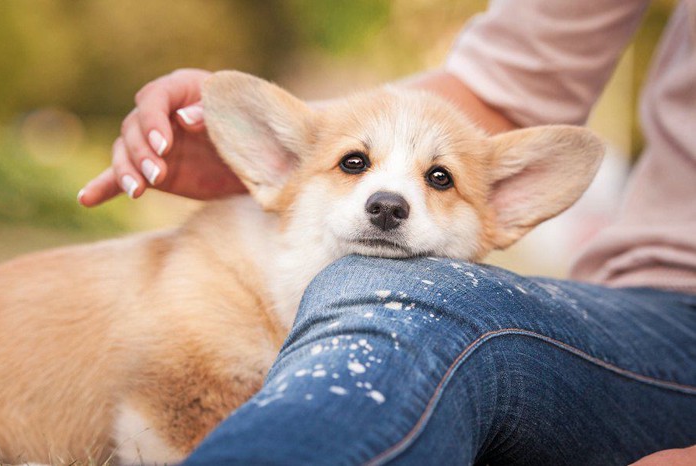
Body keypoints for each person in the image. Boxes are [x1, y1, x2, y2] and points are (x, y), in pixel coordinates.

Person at [78, 1, 696, 464]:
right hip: (639, 303)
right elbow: (504, 90)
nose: (390, 201)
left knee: (408, 300)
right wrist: (298, 136)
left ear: (498, 208)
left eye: (438, 178)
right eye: (355, 165)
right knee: (382, 294)